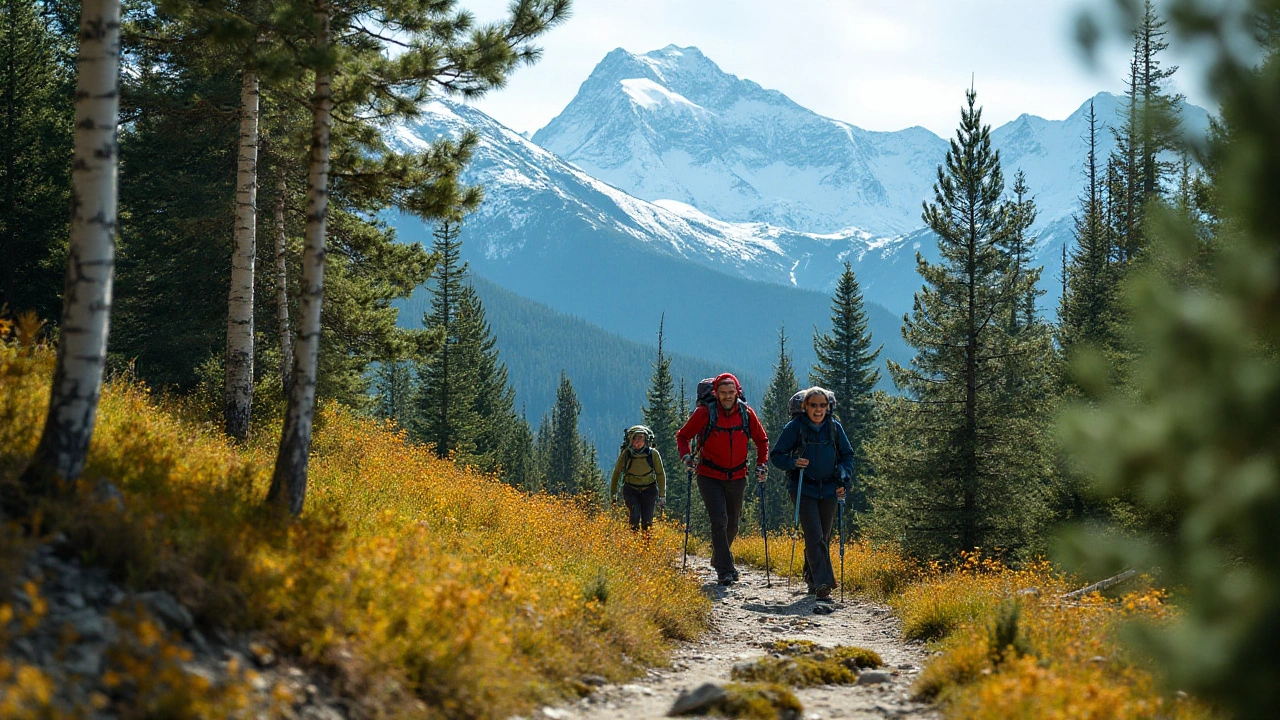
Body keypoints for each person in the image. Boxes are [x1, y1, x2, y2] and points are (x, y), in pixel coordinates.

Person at [676, 373, 769, 585]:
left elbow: (762, 440)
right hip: (709, 475)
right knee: (719, 520)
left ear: (738, 392)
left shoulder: (747, 414)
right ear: (716, 393)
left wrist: (761, 463)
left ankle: (719, 557)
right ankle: (725, 570)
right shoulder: (704, 413)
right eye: (723, 393)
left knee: (732, 526)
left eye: (731, 392)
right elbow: (683, 435)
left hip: (737, 476)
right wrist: (686, 457)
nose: (727, 397)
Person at [769, 386, 854, 602]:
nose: (818, 410)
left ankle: (811, 577)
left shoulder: (834, 428)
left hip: (829, 489)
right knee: (815, 535)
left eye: (822, 405)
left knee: (822, 536)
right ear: (804, 407)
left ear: (829, 407)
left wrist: (843, 477)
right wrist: (793, 462)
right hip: (802, 488)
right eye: (813, 405)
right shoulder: (795, 427)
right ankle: (823, 584)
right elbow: (777, 455)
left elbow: (847, 456)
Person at [609, 425, 666, 532]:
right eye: (635, 438)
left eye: (641, 438)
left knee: (647, 522)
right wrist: (613, 494)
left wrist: (662, 495)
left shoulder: (653, 454)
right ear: (630, 440)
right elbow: (616, 473)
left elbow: (660, 474)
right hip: (631, 490)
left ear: (646, 440)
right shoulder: (627, 454)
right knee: (634, 516)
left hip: (649, 490)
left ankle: (645, 546)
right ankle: (634, 544)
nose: (637, 441)